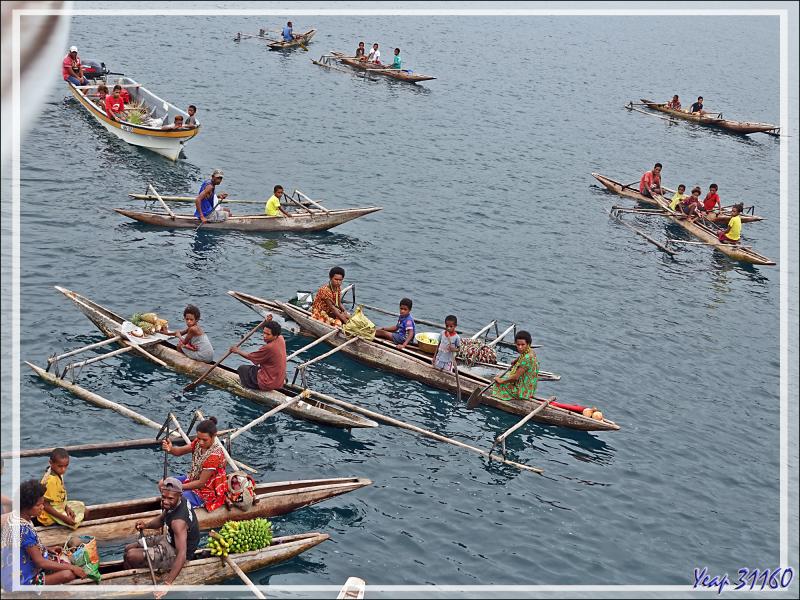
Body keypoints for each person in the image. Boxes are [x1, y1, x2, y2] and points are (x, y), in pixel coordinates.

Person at [0, 479, 86, 588]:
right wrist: (72, 568)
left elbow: (25, 546)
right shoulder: (23, 529)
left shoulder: (17, 517)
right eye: (38, 505)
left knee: (58, 556)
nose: (42, 507)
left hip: (12, 569)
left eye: (42, 503)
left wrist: (46, 548)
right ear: (26, 506)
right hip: (20, 580)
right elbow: (40, 563)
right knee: (68, 574)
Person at [123, 478, 199, 596]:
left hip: (176, 552)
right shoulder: (178, 501)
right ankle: (131, 574)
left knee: (131, 556)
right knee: (128, 548)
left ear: (179, 495)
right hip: (169, 539)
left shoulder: (178, 523)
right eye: (163, 497)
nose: (165, 501)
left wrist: (167, 584)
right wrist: (146, 525)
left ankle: (133, 582)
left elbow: (182, 555)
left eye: (170, 499)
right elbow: (162, 519)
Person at [160, 418, 228, 512]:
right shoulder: (197, 443)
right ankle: (169, 508)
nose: (201, 442)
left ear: (214, 436)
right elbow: (179, 451)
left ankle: (174, 511)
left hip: (205, 491)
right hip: (192, 479)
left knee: (175, 498)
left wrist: (177, 487)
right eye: (199, 438)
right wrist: (170, 448)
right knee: (162, 483)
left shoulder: (214, 456)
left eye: (205, 440)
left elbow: (201, 483)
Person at [230, 320, 287, 392]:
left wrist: (237, 351)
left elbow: (250, 356)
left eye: (268, 334)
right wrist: (267, 321)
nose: (264, 336)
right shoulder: (281, 338)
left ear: (275, 335)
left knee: (242, 369)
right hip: (279, 380)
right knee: (254, 369)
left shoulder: (269, 347)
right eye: (264, 333)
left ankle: (250, 388)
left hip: (268, 383)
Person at [35, 449, 84, 529]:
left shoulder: (57, 473)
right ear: (51, 463)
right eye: (60, 466)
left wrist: (66, 507)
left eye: (66, 466)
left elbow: (59, 497)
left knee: (82, 507)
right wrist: (64, 518)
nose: (63, 469)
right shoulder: (51, 481)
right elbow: (45, 505)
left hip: (59, 507)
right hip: (49, 516)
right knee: (75, 521)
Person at [491, 331, 539, 402]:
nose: (520, 347)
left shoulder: (527, 358)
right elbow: (523, 356)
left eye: (523, 345)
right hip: (530, 388)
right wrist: (517, 360)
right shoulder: (530, 352)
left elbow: (515, 378)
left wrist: (501, 381)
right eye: (518, 344)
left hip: (522, 392)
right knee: (504, 376)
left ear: (528, 344)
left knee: (497, 384)